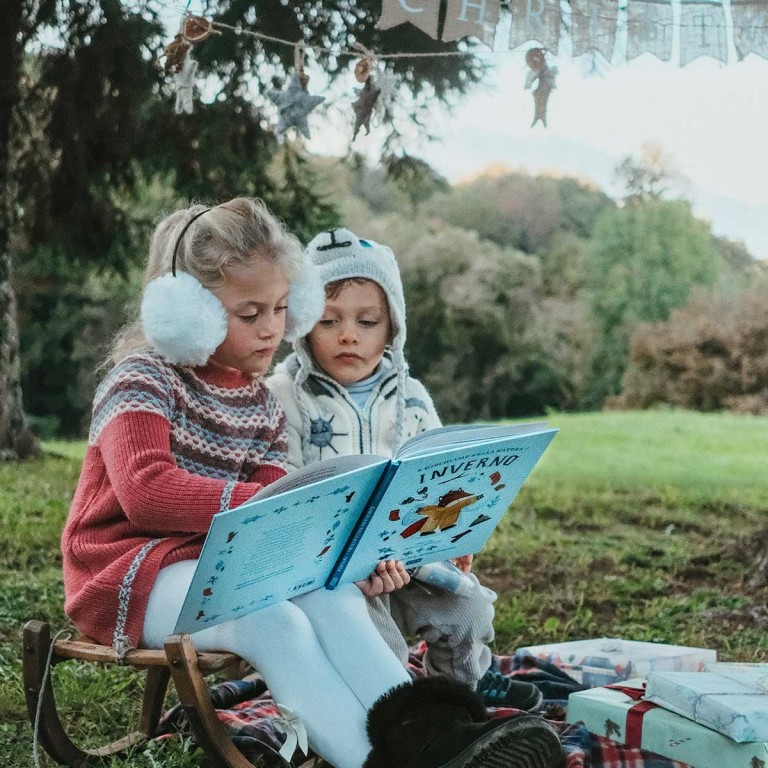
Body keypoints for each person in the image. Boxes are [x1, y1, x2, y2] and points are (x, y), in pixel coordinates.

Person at [61, 200, 564, 768]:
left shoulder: (261, 405)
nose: (272, 328)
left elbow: (289, 507)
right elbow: (147, 492)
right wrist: (264, 507)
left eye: (280, 308)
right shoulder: (141, 380)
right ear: (188, 312)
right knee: (269, 619)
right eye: (249, 313)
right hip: (130, 569)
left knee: (331, 596)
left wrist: (350, 545)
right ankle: (371, 761)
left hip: (221, 563)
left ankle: (440, 737)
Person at [268, 227, 542, 711]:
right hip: (333, 577)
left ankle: (458, 703)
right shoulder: (285, 395)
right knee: (378, 648)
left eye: (367, 320)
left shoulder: (410, 397)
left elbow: (445, 477)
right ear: (303, 324)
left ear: (392, 326)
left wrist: (452, 540)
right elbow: (278, 488)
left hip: (411, 561)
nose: (348, 334)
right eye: (329, 321)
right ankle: (402, 726)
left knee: (469, 612)